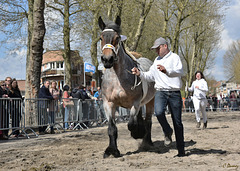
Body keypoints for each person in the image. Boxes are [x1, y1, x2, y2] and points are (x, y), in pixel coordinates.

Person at [131, 37, 185, 157]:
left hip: (174, 92)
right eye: (155, 49)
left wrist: (167, 71)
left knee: (177, 122)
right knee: (159, 112)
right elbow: (150, 75)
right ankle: (167, 130)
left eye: (157, 48)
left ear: (165, 46)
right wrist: (140, 74)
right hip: (160, 91)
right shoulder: (156, 61)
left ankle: (181, 150)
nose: (156, 51)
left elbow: (180, 71)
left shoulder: (174, 57)